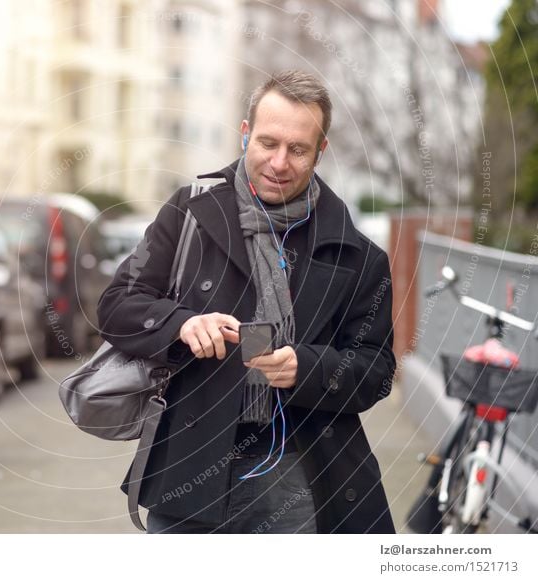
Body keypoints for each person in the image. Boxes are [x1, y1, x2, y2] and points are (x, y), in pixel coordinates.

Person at [97, 70, 396, 534]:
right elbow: (117, 305)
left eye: (297, 149)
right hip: (191, 468)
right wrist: (180, 324)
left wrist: (308, 368)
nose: (279, 162)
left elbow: (376, 372)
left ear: (321, 151)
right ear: (244, 135)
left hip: (299, 475)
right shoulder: (189, 213)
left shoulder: (358, 254)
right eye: (267, 142)